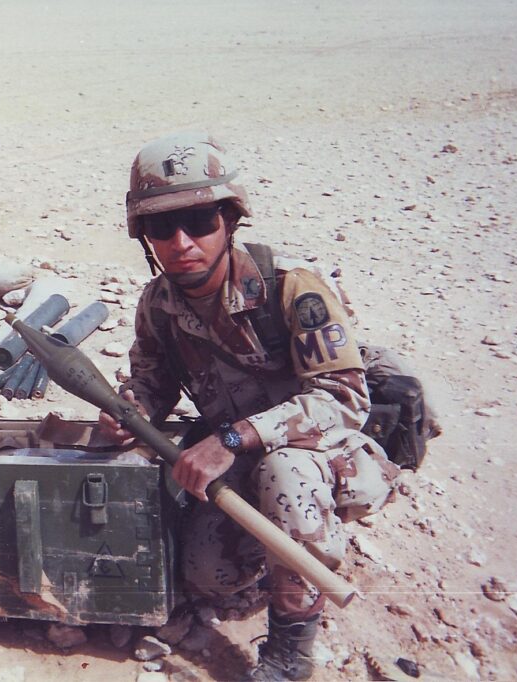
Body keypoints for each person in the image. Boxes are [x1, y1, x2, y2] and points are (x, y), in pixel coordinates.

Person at [98, 132, 400, 681]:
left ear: (230, 220)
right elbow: (153, 382)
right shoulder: (158, 304)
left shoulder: (291, 285)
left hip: (322, 453)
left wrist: (234, 438)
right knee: (209, 577)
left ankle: (290, 650)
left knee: (286, 474)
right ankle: (282, 548)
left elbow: (343, 399)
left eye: (199, 221)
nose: (181, 242)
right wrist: (131, 410)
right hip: (237, 459)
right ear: (144, 236)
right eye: (162, 228)